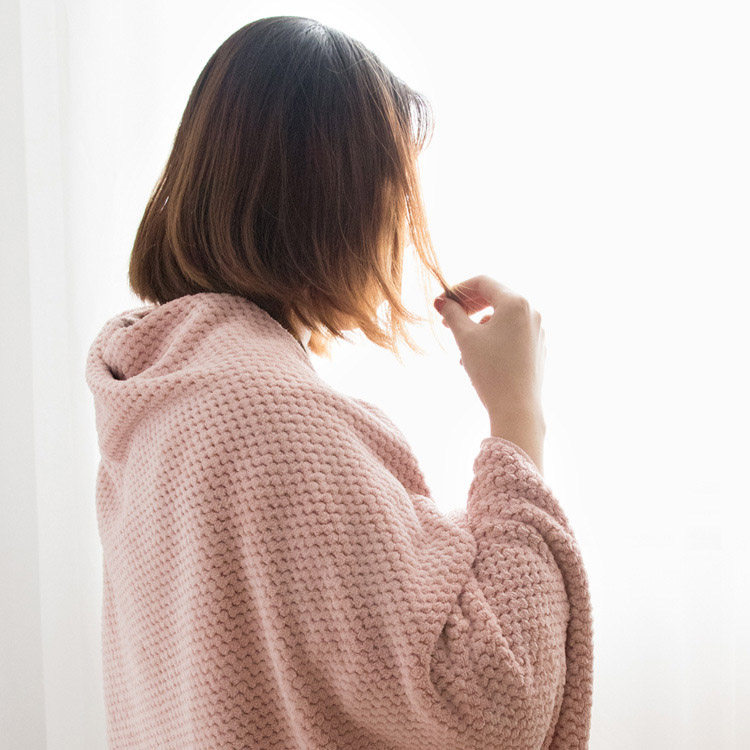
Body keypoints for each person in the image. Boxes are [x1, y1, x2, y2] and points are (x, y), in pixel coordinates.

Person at [85, 15, 593, 749]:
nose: (401, 226)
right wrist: (517, 413)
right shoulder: (272, 418)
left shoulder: (164, 390)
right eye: (397, 191)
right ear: (338, 200)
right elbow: (492, 699)